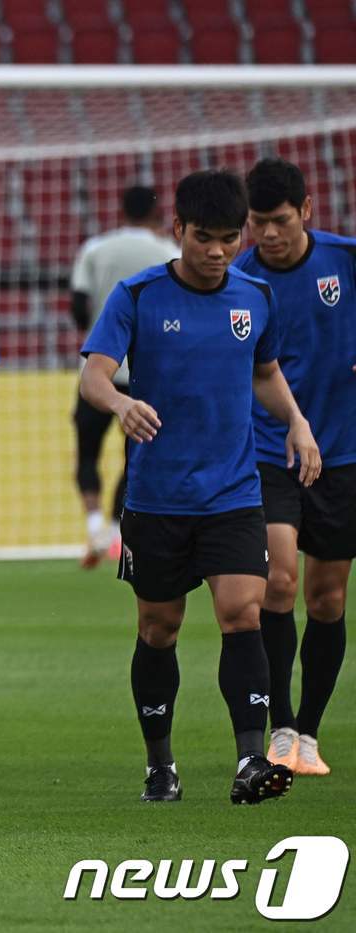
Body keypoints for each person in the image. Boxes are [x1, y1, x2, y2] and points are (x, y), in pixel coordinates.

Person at [79, 169, 321, 806]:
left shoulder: (254, 297)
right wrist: (121, 403)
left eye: (229, 239)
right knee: (159, 629)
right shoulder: (137, 295)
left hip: (233, 494)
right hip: (157, 498)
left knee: (243, 614)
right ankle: (160, 765)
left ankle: (250, 760)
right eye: (204, 238)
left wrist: (296, 422)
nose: (217, 252)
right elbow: (94, 377)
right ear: (178, 229)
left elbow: (264, 372)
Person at [238, 157, 355, 777]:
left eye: (280, 221)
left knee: (327, 597)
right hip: (270, 451)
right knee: (279, 582)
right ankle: (280, 725)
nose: (268, 234)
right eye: (258, 222)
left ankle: (309, 732)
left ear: (306, 211)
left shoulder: (345, 261)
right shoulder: (240, 280)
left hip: (343, 452)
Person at [69, 186, 179, 568]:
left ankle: (95, 525)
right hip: (145, 375)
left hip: (98, 372)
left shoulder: (96, 248)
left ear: (122, 209)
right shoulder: (168, 252)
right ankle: (117, 530)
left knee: (87, 452)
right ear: (158, 213)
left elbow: (78, 308)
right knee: (136, 456)